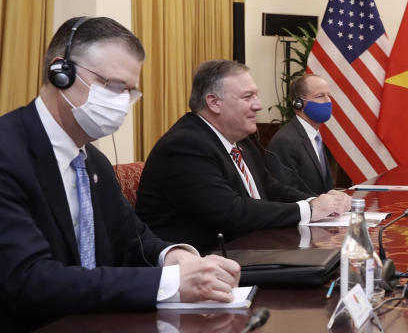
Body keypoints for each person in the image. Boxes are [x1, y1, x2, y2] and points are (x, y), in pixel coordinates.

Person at [0, 17, 240, 333]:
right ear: (61, 73)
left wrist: (178, 258)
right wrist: (170, 282)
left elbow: (133, 240)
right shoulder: (7, 152)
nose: (121, 103)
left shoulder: (91, 161)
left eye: (130, 92)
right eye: (113, 86)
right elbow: (29, 280)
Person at [136, 60, 351, 252]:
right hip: (202, 265)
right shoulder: (185, 146)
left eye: (255, 95)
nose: (258, 105)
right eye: (248, 97)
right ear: (213, 102)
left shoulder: (241, 141)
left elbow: (272, 189)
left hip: (248, 250)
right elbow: (232, 212)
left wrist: (319, 202)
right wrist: (310, 209)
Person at [265, 74, 338, 195]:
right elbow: (284, 193)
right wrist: (319, 203)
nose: (328, 101)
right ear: (298, 103)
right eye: (320, 96)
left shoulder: (315, 137)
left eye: (328, 95)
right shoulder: (285, 140)